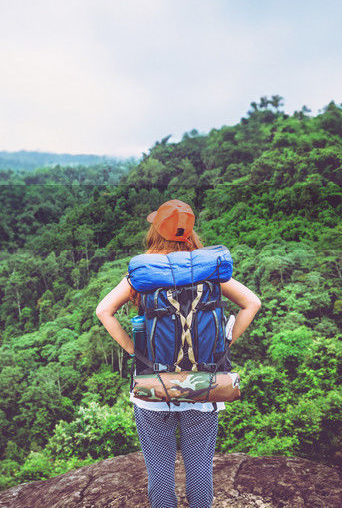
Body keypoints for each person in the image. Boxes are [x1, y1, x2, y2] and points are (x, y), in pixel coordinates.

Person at [94, 199, 261, 508]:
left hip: (152, 385)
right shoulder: (209, 269)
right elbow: (252, 303)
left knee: (160, 475)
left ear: (156, 231)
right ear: (189, 233)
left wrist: (135, 351)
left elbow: (104, 310)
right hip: (203, 384)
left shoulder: (144, 273)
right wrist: (224, 344)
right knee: (199, 472)